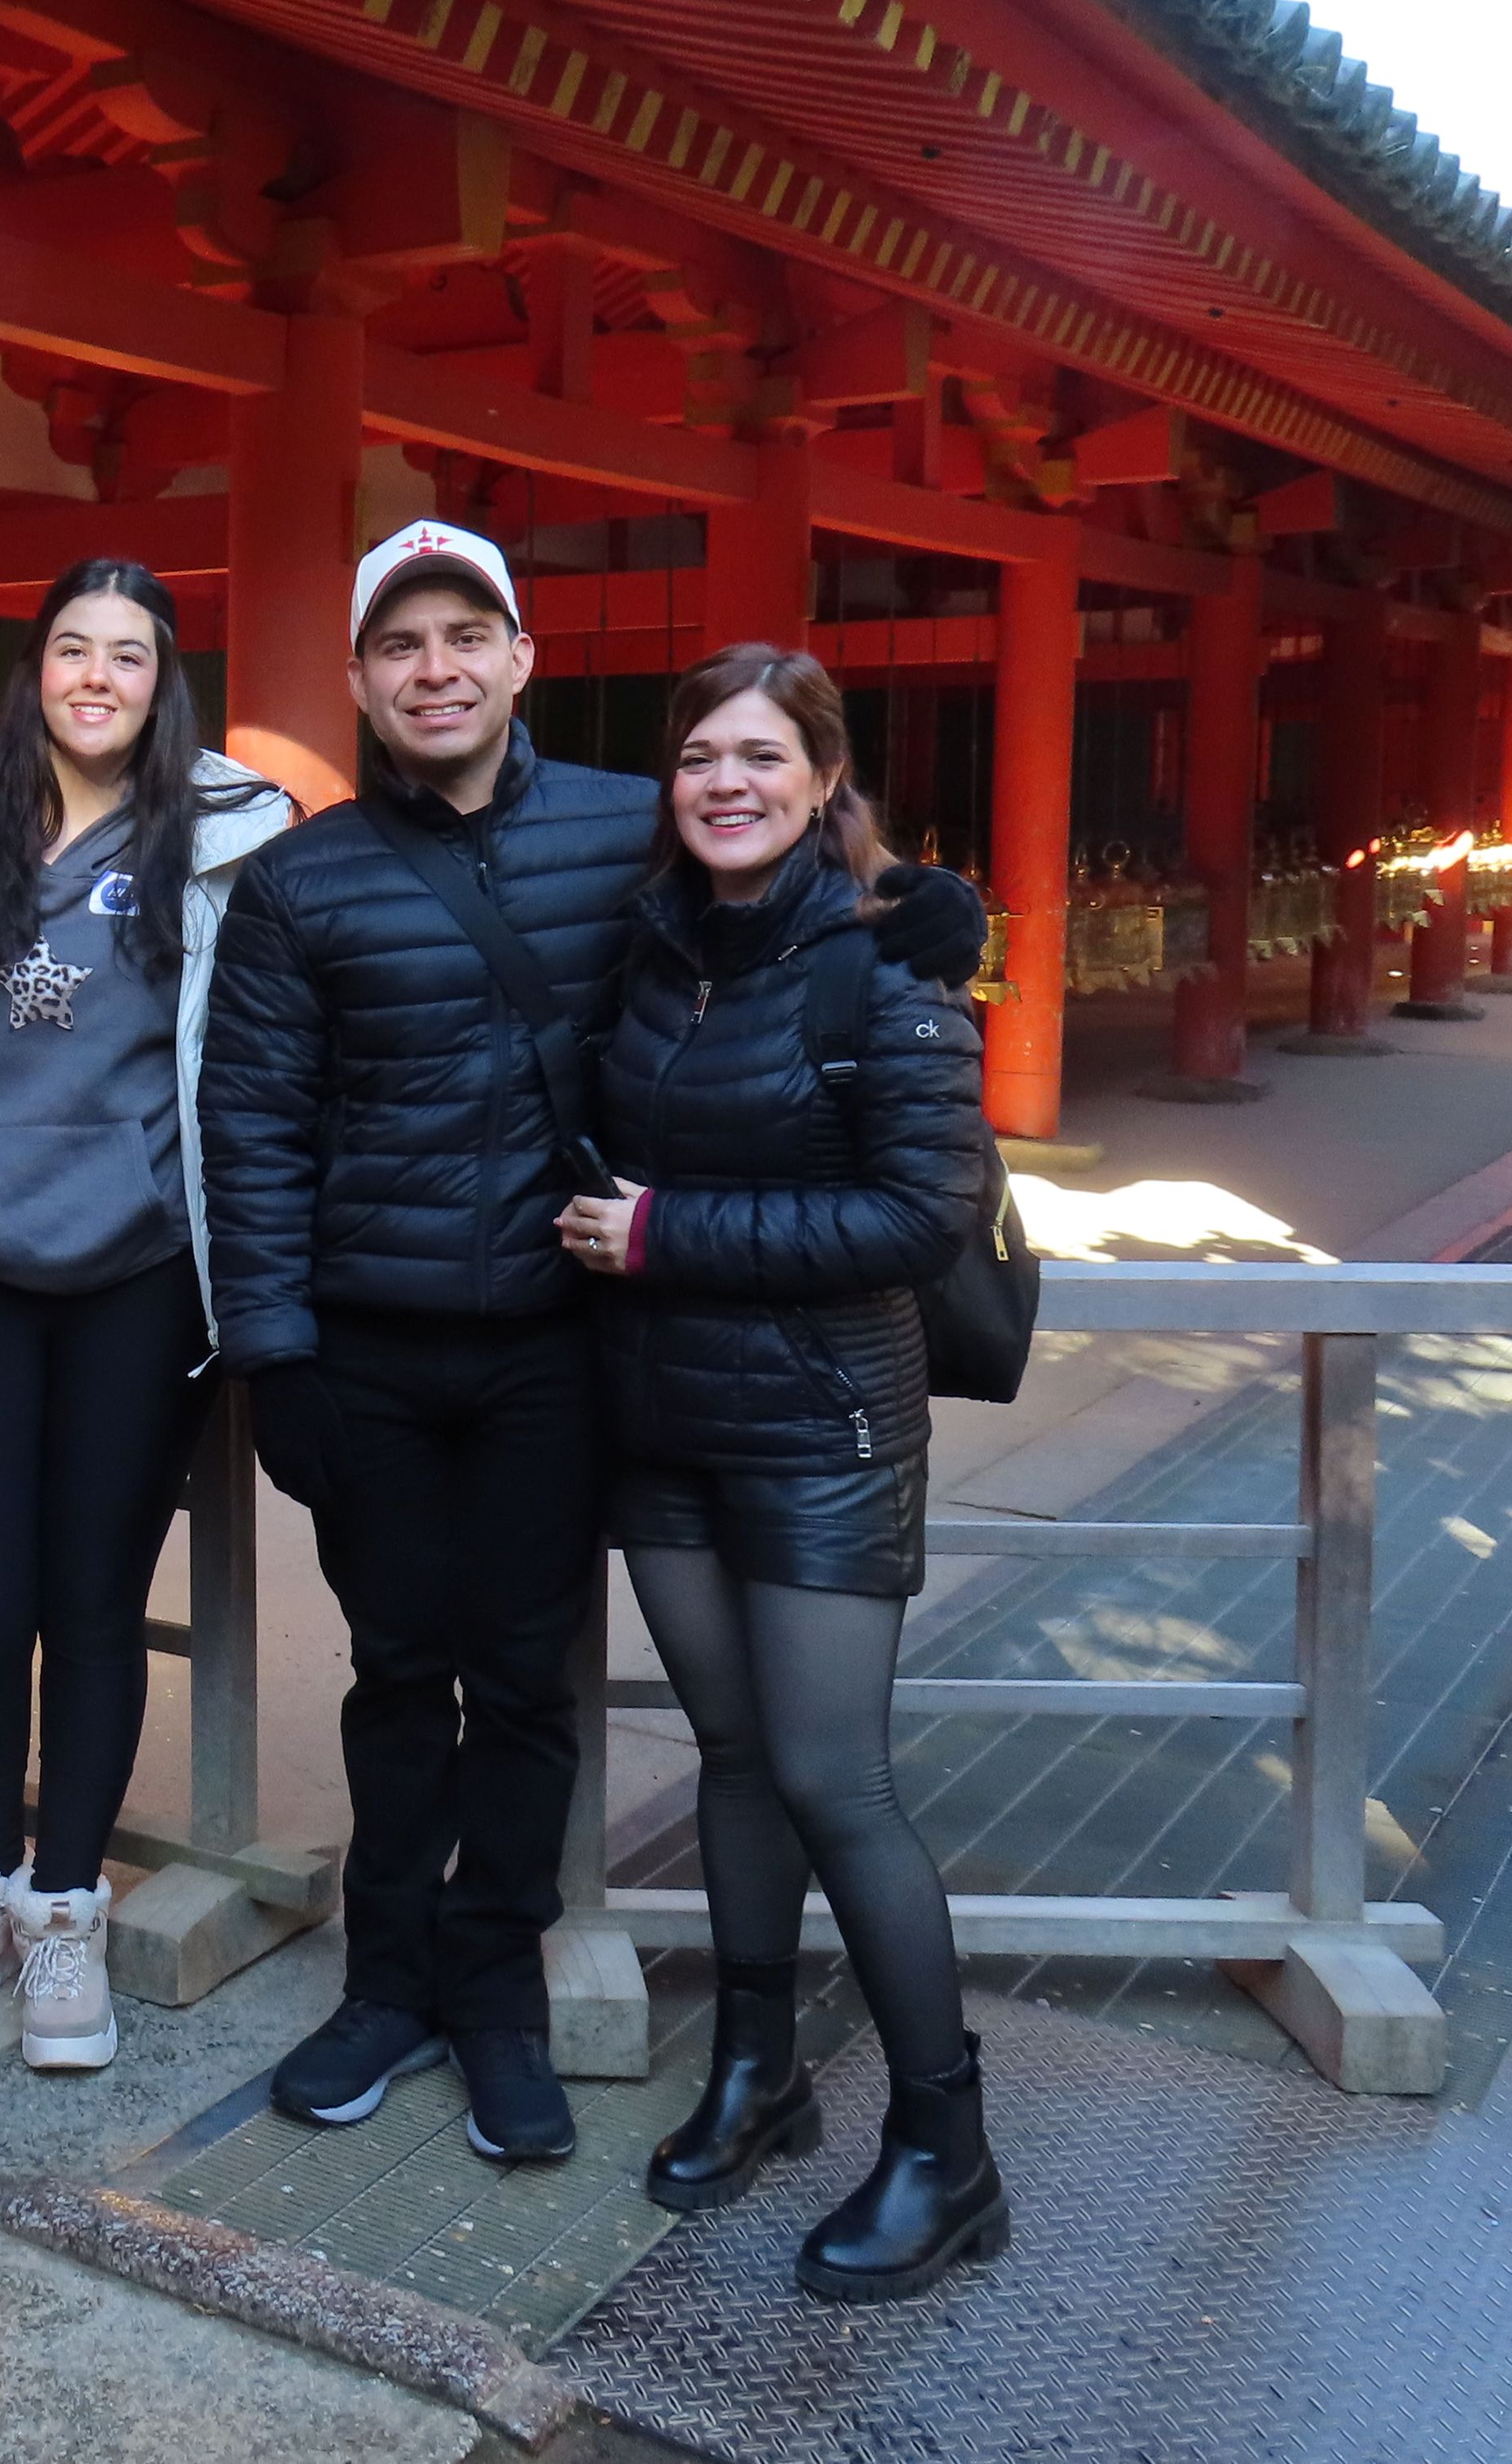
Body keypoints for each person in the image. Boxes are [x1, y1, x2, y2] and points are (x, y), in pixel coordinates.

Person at [198, 523, 983, 2165]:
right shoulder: (300, 880)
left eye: (466, 635)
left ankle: (497, 1995)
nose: (436, 669)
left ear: (521, 659)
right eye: (401, 644)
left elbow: (795, 878)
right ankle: (387, 1978)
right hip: (372, 1348)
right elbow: (252, 1123)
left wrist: (928, 916)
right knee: (399, 1674)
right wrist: (274, 1349)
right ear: (358, 677)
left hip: (568, 1350)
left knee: (527, 1686)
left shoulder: (631, 828)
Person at [557, 641, 1004, 2302]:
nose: (724, 784)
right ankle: (761, 2072)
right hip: (664, 1421)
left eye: (759, 756)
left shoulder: (888, 966)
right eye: (696, 758)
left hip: (824, 1424)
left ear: (825, 777)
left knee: (836, 1778)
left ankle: (948, 2148)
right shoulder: (658, 950)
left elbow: (916, 1218)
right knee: (735, 1756)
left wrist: (665, 1232)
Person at [0, 563, 291, 2070]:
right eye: (71, 651)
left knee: (94, 1604)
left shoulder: (232, 835)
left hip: (138, 1270)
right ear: (33, 670)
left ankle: (64, 1907)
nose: (96, 677)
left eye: (129, 656)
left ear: (165, 682)